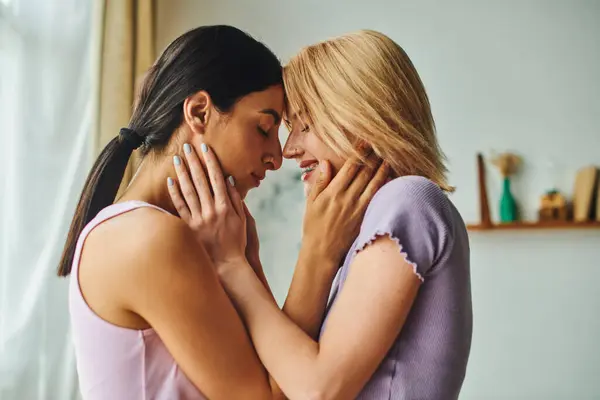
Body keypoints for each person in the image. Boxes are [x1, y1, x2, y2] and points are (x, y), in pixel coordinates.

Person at [57, 25, 387, 399]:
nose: (278, 158)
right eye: (264, 128)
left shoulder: (175, 234)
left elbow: (270, 368)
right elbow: (271, 395)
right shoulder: (148, 238)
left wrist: (245, 261)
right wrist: (318, 254)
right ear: (199, 112)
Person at [172, 29, 473, 399]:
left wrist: (231, 264)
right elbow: (288, 376)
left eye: (306, 125)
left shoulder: (407, 200)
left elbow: (318, 390)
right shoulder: (379, 219)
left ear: (362, 118)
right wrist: (249, 263)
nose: (290, 149)